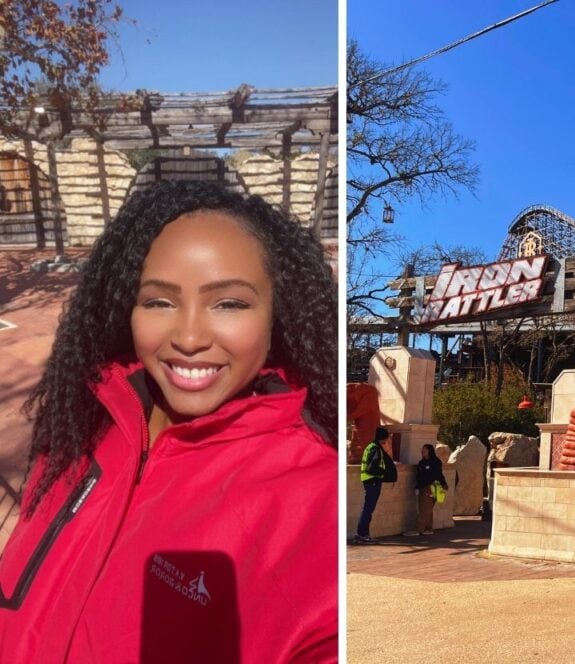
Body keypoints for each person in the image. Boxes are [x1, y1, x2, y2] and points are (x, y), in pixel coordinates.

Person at [0, 180, 338, 662]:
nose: (190, 336)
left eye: (229, 303)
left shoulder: (312, 498)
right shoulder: (84, 419)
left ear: (276, 317)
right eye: (159, 301)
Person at [405, 444, 448, 537]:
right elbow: (419, 476)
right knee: (427, 509)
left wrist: (442, 485)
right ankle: (429, 528)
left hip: (432, 487)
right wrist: (417, 487)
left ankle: (417, 529)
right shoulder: (421, 463)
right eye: (422, 449)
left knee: (425, 509)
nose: (422, 451)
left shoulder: (435, 462)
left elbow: (438, 475)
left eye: (425, 449)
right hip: (422, 488)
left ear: (430, 451)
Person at [356, 426, 390, 544]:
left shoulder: (370, 447)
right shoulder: (376, 449)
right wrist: (383, 472)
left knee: (367, 509)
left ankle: (362, 534)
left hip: (368, 481)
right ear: (383, 438)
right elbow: (372, 467)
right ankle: (363, 534)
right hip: (373, 481)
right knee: (368, 509)